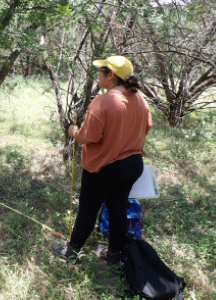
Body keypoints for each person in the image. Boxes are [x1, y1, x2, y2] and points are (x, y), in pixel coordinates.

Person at [52, 56, 152, 265]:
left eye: (101, 70)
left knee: (88, 208)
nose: (98, 74)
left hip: (104, 168)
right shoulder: (141, 100)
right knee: (118, 208)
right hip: (133, 165)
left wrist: (73, 131)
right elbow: (147, 126)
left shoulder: (103, 102)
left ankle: (72, 252)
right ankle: (114, 254)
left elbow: (88, 137)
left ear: (111, 75)